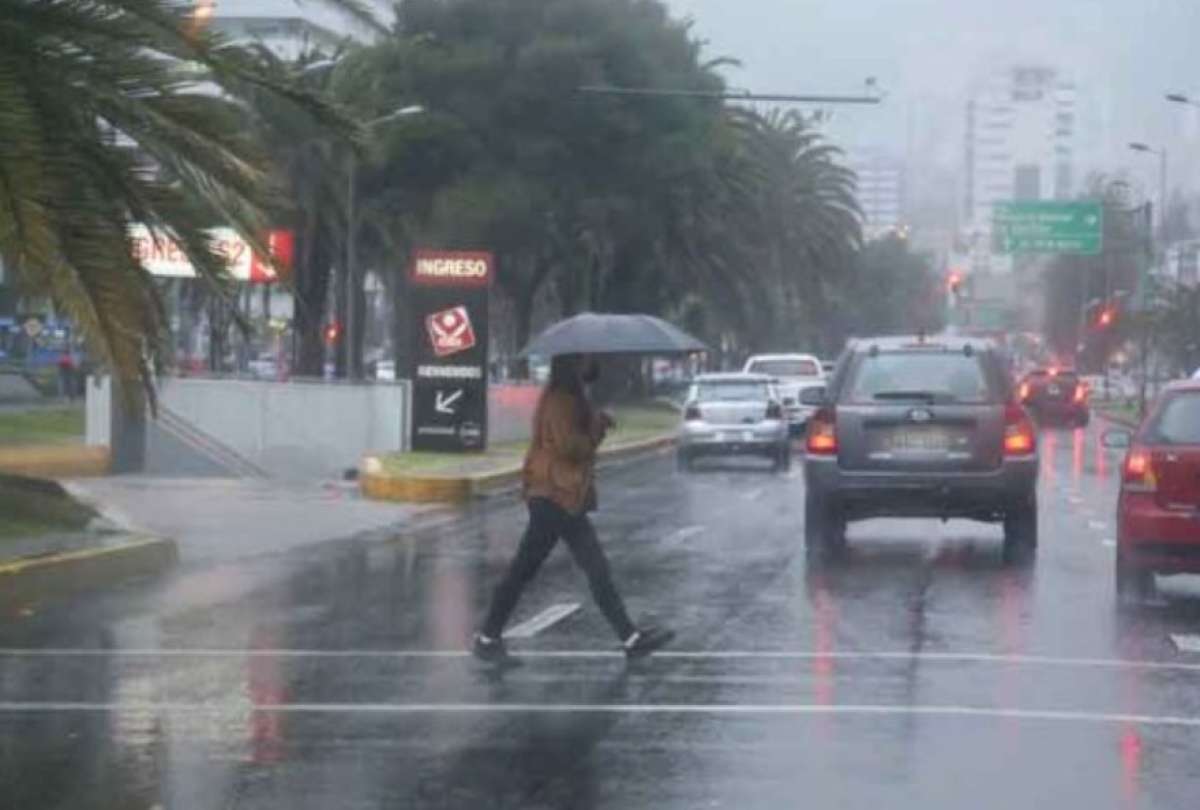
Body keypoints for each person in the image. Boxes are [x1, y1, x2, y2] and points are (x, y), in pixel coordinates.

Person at [473, 353, 674, 666]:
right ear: (571, 365)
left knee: (589, 569)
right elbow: (572, 448)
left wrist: (594, 418)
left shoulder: (565, 397)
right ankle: (487, 637)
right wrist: (596, 426)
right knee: (534, 569)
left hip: (561, 495)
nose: (591, 365)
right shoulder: (562, 401)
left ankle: (630, 637)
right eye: (585, 360)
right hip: (555, 495)